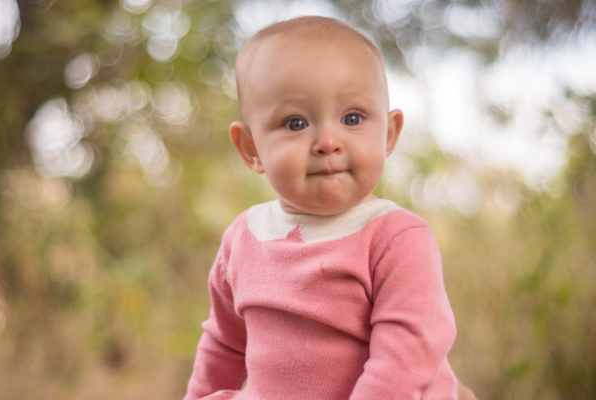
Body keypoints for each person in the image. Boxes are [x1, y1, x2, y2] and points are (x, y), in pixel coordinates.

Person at [183, 15, 477, 400]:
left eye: (352, 118)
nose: (327, 141)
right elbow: (224, 344)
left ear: (388, 135)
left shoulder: (395, 238)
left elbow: (408, 352)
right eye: (295, 123)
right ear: (252, 148)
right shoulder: (243, 238)